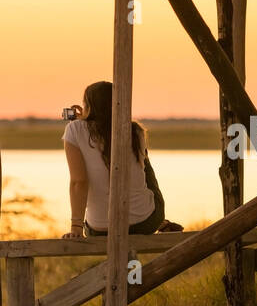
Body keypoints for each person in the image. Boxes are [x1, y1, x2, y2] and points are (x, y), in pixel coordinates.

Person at [60, 80, 179, 240]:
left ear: (89, 106)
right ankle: (159, 221)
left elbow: (78, 181)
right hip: (145, 223)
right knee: (144, 164)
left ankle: (154, 218)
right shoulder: (135, 131)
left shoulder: (74, 130)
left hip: (101, 230)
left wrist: (76, 227)